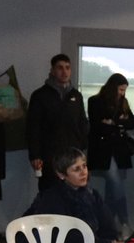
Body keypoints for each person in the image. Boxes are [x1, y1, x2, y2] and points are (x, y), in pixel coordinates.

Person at [26, 53, 88, 192]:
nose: (64, 71)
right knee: (50, 193)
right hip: (49, 156)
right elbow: (33, 127)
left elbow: (82, 123)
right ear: (53, 71)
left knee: (75, 194)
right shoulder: (40, 95)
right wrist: (35, 155)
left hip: (73, 155)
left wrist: (82, 146)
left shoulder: (76, 96)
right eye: (60, 68)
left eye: (67, 68)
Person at [87, 73, 134, 227]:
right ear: (113, 88)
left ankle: (108, 224)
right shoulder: (95, 101)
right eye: (121, 90)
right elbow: (97, 125)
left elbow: (132, 122)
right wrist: (120, 122)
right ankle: (124, 221)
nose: (123, 93)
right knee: (116, 183)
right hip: (103, 150)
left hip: (119, 150)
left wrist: (113, 123)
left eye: (124, 90)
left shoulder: (123, 102)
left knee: (113, 187)